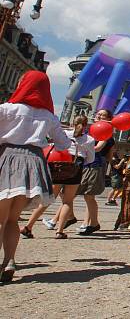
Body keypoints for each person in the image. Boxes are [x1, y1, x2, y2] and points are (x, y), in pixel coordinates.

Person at [0, 71, 72, 282]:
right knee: (13, 219)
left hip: (7, 158)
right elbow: (63, 145)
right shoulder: (48, 116)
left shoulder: (7, 109)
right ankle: (10, 260)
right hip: (33, 162)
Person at [23, 115, 93, 239]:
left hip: (59, 164)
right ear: (86, 125)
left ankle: (28, 227)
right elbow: (90, 159)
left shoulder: (65, 133)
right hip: (76, 166)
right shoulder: (89, 139)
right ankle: (59, 231)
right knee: (67, 201)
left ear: (73, 122)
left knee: (48, 199)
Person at [76, 109, 114, 235]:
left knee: (88, 195)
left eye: (103, 115)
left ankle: (91, 223)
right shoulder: (91, 130)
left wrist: (80, 146)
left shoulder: (107, 132)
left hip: (96, 164)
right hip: (87, 163)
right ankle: (87, 223)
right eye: (98, 113)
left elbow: (98, 148)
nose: (99, 116)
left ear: (108, 118)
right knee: (86, 195)